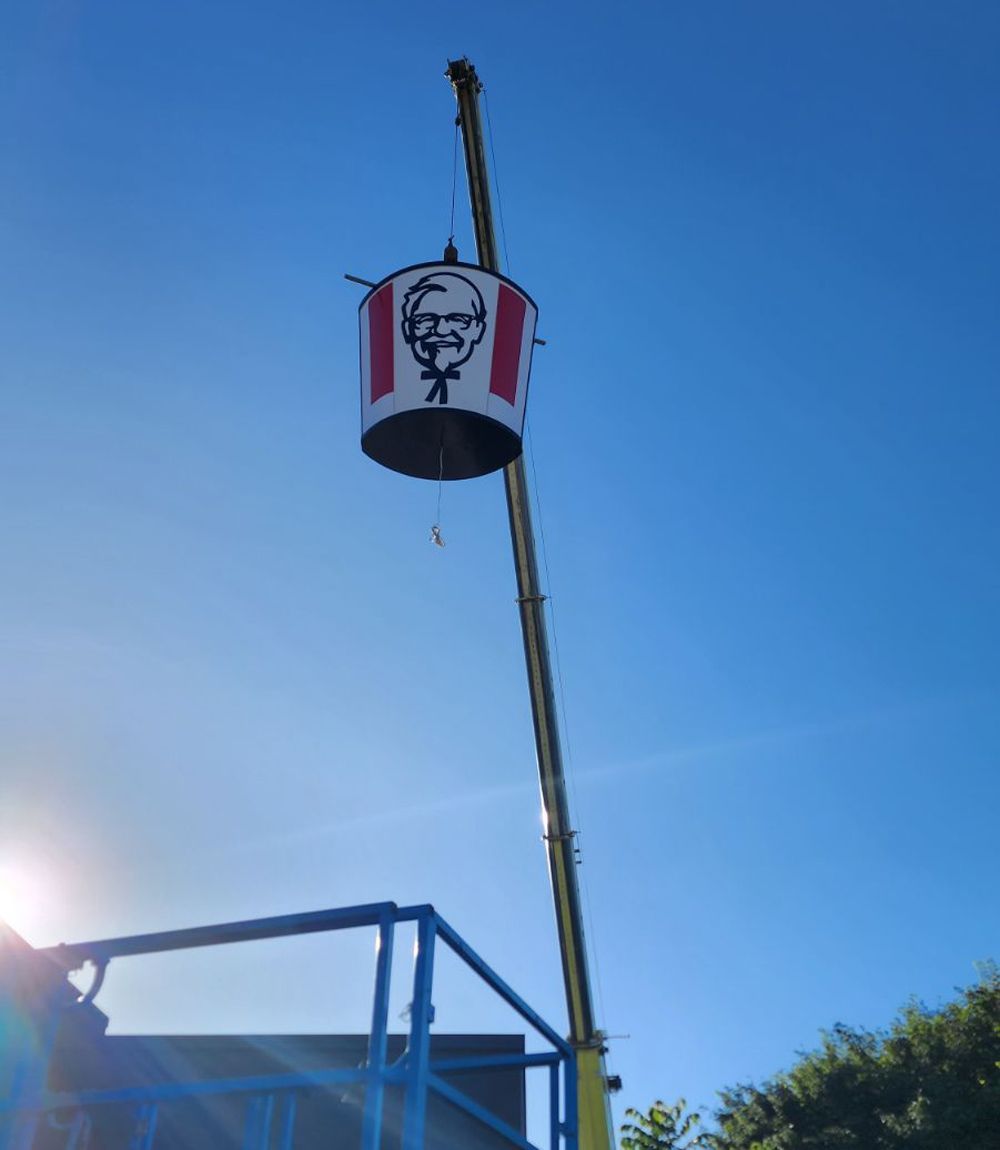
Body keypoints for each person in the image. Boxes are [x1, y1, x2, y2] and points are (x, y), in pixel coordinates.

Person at [400, 272, 487, 403]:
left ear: (478, 329)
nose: (441, 330)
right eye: (426, 319)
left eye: (458, 319)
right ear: (408, 329)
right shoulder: (402, 390)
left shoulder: (482, 393)